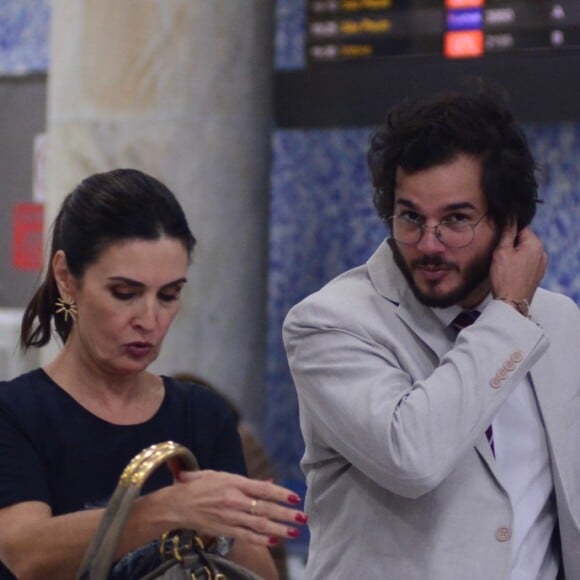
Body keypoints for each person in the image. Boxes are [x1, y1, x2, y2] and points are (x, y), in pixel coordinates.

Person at [283, 85, 580, 579]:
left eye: (456, 219)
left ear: (510, 222)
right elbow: (412, 457)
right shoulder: (329, 323)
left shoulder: (561, 321)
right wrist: (507, 313)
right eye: (410, 218)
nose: (428, 244)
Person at [0, 168, 307, 580]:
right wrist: (169, 510)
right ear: (66, 278)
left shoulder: (202, 414)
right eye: (125, 294)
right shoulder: (16, 413)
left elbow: (257, 574)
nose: (149, 319)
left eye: (169, 295)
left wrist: (222, 528)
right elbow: (27, 554)